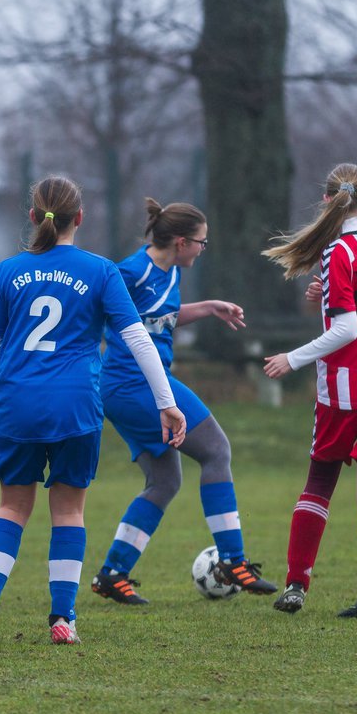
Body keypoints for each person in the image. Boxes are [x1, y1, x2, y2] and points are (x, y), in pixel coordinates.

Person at [0, 176, 187, 645]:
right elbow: (137, 338)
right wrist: (166, 403)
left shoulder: (8, 270)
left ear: (33, 217)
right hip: (76, 406)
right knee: (68, 511)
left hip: (18, 404)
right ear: (79, 218)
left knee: (10, 506)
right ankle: (63, 618)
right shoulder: (101, 270)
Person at [89, 198, 277, 605]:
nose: (203, 248)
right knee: (216, 450)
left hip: (139, 386)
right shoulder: (131, 271)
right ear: (179, 241)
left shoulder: (171, 270)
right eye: (200, 242)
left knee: (164, 482)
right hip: (131, 384)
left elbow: (162, 316)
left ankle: (112, 574)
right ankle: (233, 561)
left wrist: (208, 308)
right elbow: (96, 315)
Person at [261, 162, 357, 618]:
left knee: (319, 485)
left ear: (328, 202)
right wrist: (325, 296)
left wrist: (294, 357)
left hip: (346, 392)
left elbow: (348, 329)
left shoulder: (338, 252)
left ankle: (295, 585)